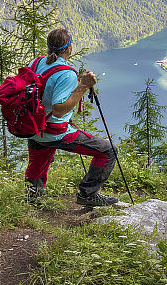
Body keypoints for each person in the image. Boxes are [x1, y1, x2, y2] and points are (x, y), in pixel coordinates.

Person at [24, 27, 119, 206]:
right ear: (69, 49)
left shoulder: (36, 63)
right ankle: (88, 194)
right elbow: (59, 109)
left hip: (35, 128)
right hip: (55, 131)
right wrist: (83, 86)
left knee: (36, 167)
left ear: (48, 47)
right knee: (108, 151)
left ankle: (33, 203)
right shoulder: (66, 74)